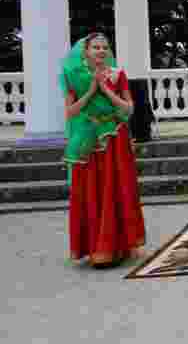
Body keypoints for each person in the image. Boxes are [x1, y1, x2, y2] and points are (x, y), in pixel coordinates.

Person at [61, 32, 146, 268]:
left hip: (114, 137)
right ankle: (94, 247)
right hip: (87, 138)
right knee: (90, 189)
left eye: (104, 47)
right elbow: (71, 112)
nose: (100, 51)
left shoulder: (117, 75)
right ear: (85, 51)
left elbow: (128, 109)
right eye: (95, 47)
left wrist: (105, 89)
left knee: (115, 187)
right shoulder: (74, 77)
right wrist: (91, 89)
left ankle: (117, 244)